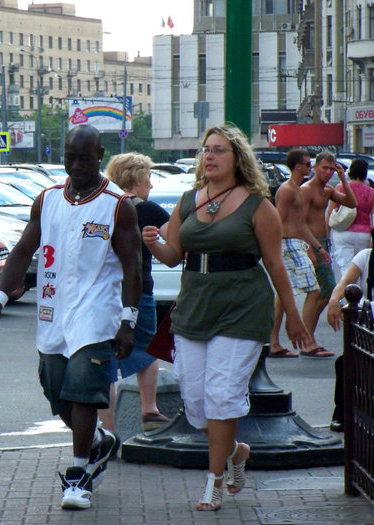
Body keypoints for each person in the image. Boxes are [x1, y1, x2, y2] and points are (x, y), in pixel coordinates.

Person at [142, 124, 312, 512]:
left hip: (242, 306)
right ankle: (237, 452)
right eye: (206, 150)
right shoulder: (188, 200)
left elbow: (274, 263)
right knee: (197, 402)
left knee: (222, 396)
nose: (209, 156)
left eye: (218, 150)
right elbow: (173, 256)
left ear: (237, 157)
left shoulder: (257, 204)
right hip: (194, 307)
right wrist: (152, 244)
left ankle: (213, 481)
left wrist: (293, 318)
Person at [0, 124, 142, 511]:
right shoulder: (47, 199)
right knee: (56, 389)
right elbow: (22, 252)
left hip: (96, 314)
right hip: (53, 314)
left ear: (100, 156)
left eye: (85, 158)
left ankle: (79, 474)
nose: (76, 165)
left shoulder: (118, 204)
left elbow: (134, 266)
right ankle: (99, 438)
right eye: (70, 157)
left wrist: (128, 320)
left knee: (84, 389)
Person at [98, 152, 171, 432]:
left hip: (104, 291)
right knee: (145, 348)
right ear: (136, 178)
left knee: (104, 357)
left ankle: (108, 428)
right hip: (138, 290)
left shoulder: (104, 206)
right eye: (149, 177)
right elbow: (175, 239)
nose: (151, 185)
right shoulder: (147, 210)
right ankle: (149, 409)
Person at [269, 149, 333, 358]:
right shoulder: (287, 190)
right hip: (288, 244)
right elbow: (278, 221)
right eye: (308, 164)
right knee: (314, 291)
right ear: (298, 167)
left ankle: (274, 342)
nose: (310, 166)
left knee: (283, 293)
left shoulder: (296, 189)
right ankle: (305, 341)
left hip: (296, 243)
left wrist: (318, 247)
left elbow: (300, 224)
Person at [299, 152, 356, 355]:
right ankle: (307, 340)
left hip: (322, 243)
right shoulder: (306, 190)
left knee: (320, 291)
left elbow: (352, 203)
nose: (328, 172)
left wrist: (344, 179)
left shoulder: (328, 189)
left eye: (331, 169)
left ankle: (309, 338)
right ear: (315, 167)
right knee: (323, 290)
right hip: (312, 243)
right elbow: (300, 221)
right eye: (325, 168)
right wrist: (311, 248)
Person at [325, 236, 374, 433]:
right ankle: (342, 415)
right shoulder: (366, 257)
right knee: (345, 363)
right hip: (367, 326)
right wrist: (333, 301)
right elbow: (345, 282)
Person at [328, 159, 373, 277]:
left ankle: (349, 293)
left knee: (346, 269)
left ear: (350, 172)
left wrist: (327, 233)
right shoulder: (371, 192)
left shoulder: (340, 187)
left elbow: (331, 211)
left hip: (343, 232)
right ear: (365, 174)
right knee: (362, 268)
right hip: (364, 233)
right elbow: (372, 215)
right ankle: (362, 294)